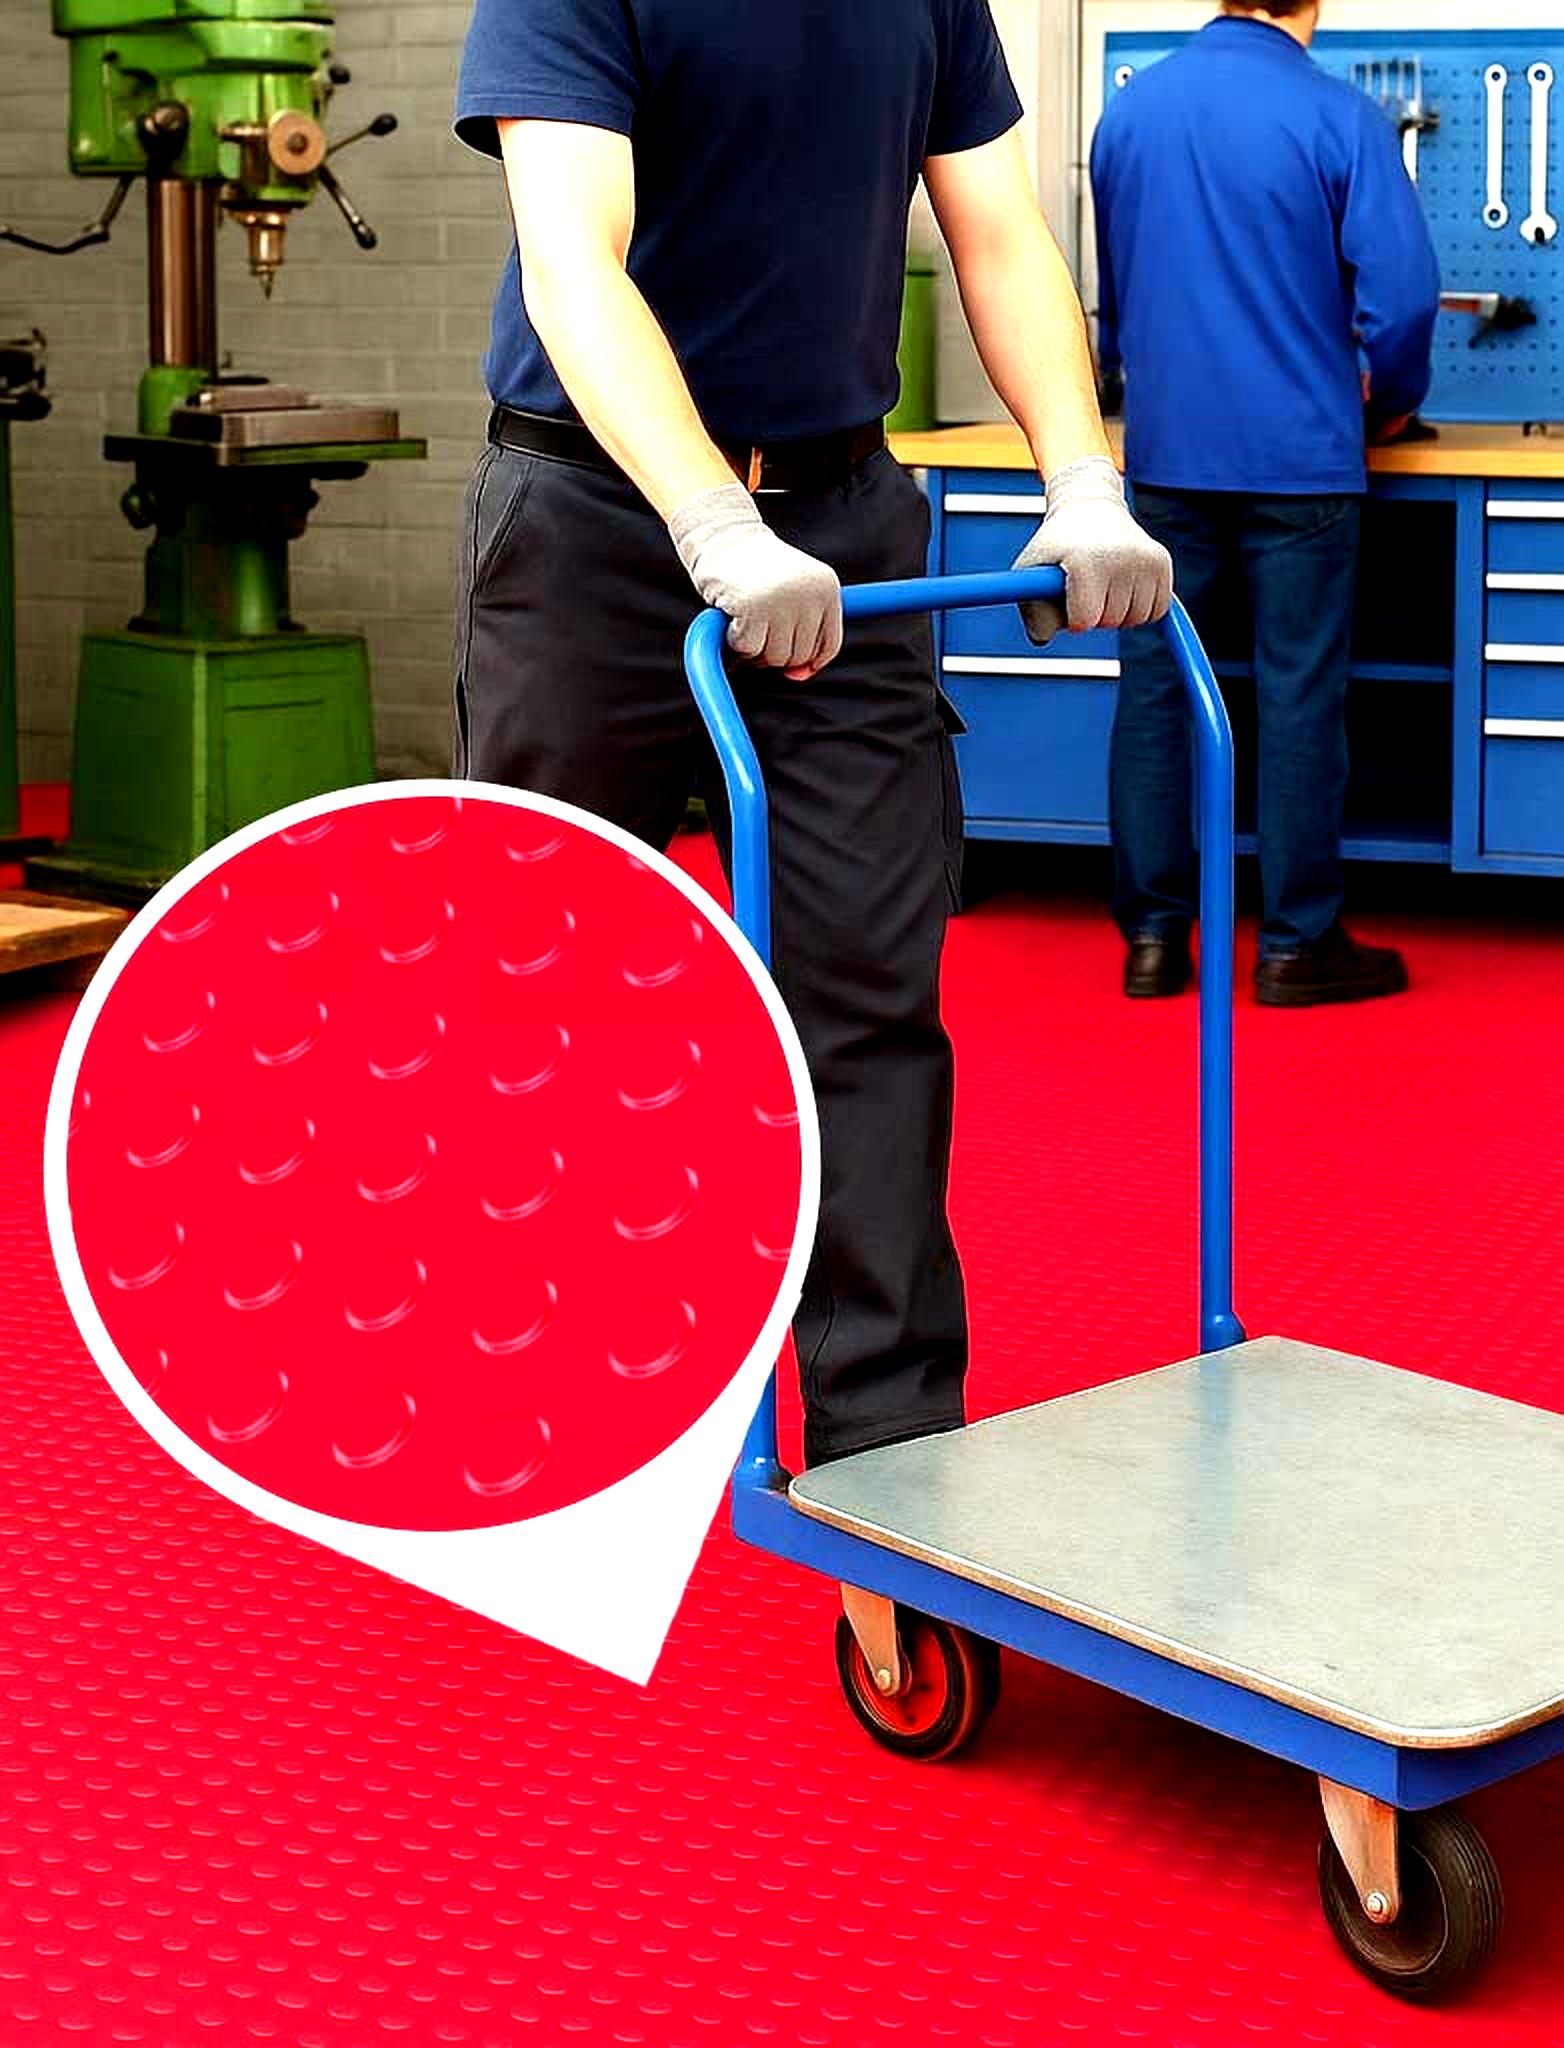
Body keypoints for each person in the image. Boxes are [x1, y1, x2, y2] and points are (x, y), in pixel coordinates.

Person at [450, 1, 1172, 1468]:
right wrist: (707, 512)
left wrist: (1082, 475)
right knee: (547, 989)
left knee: (864, 1000)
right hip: (598, 522)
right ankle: (545, 1396)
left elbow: (1000, 231)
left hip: (848, 523)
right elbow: (571, 254)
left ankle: (889, 1449)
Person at [1091, 0, 1439, 1006]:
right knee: (1297, 694)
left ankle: (1153, 941)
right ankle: (1296, 944)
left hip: (1163, 455)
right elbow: (1404, 301)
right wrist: (1392, 399)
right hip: (1300, 462)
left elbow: (1116, 287)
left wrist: (1128, 373)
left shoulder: (1130, 113)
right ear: (1310, 2)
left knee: (1155, 688)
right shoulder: (1338, 118)